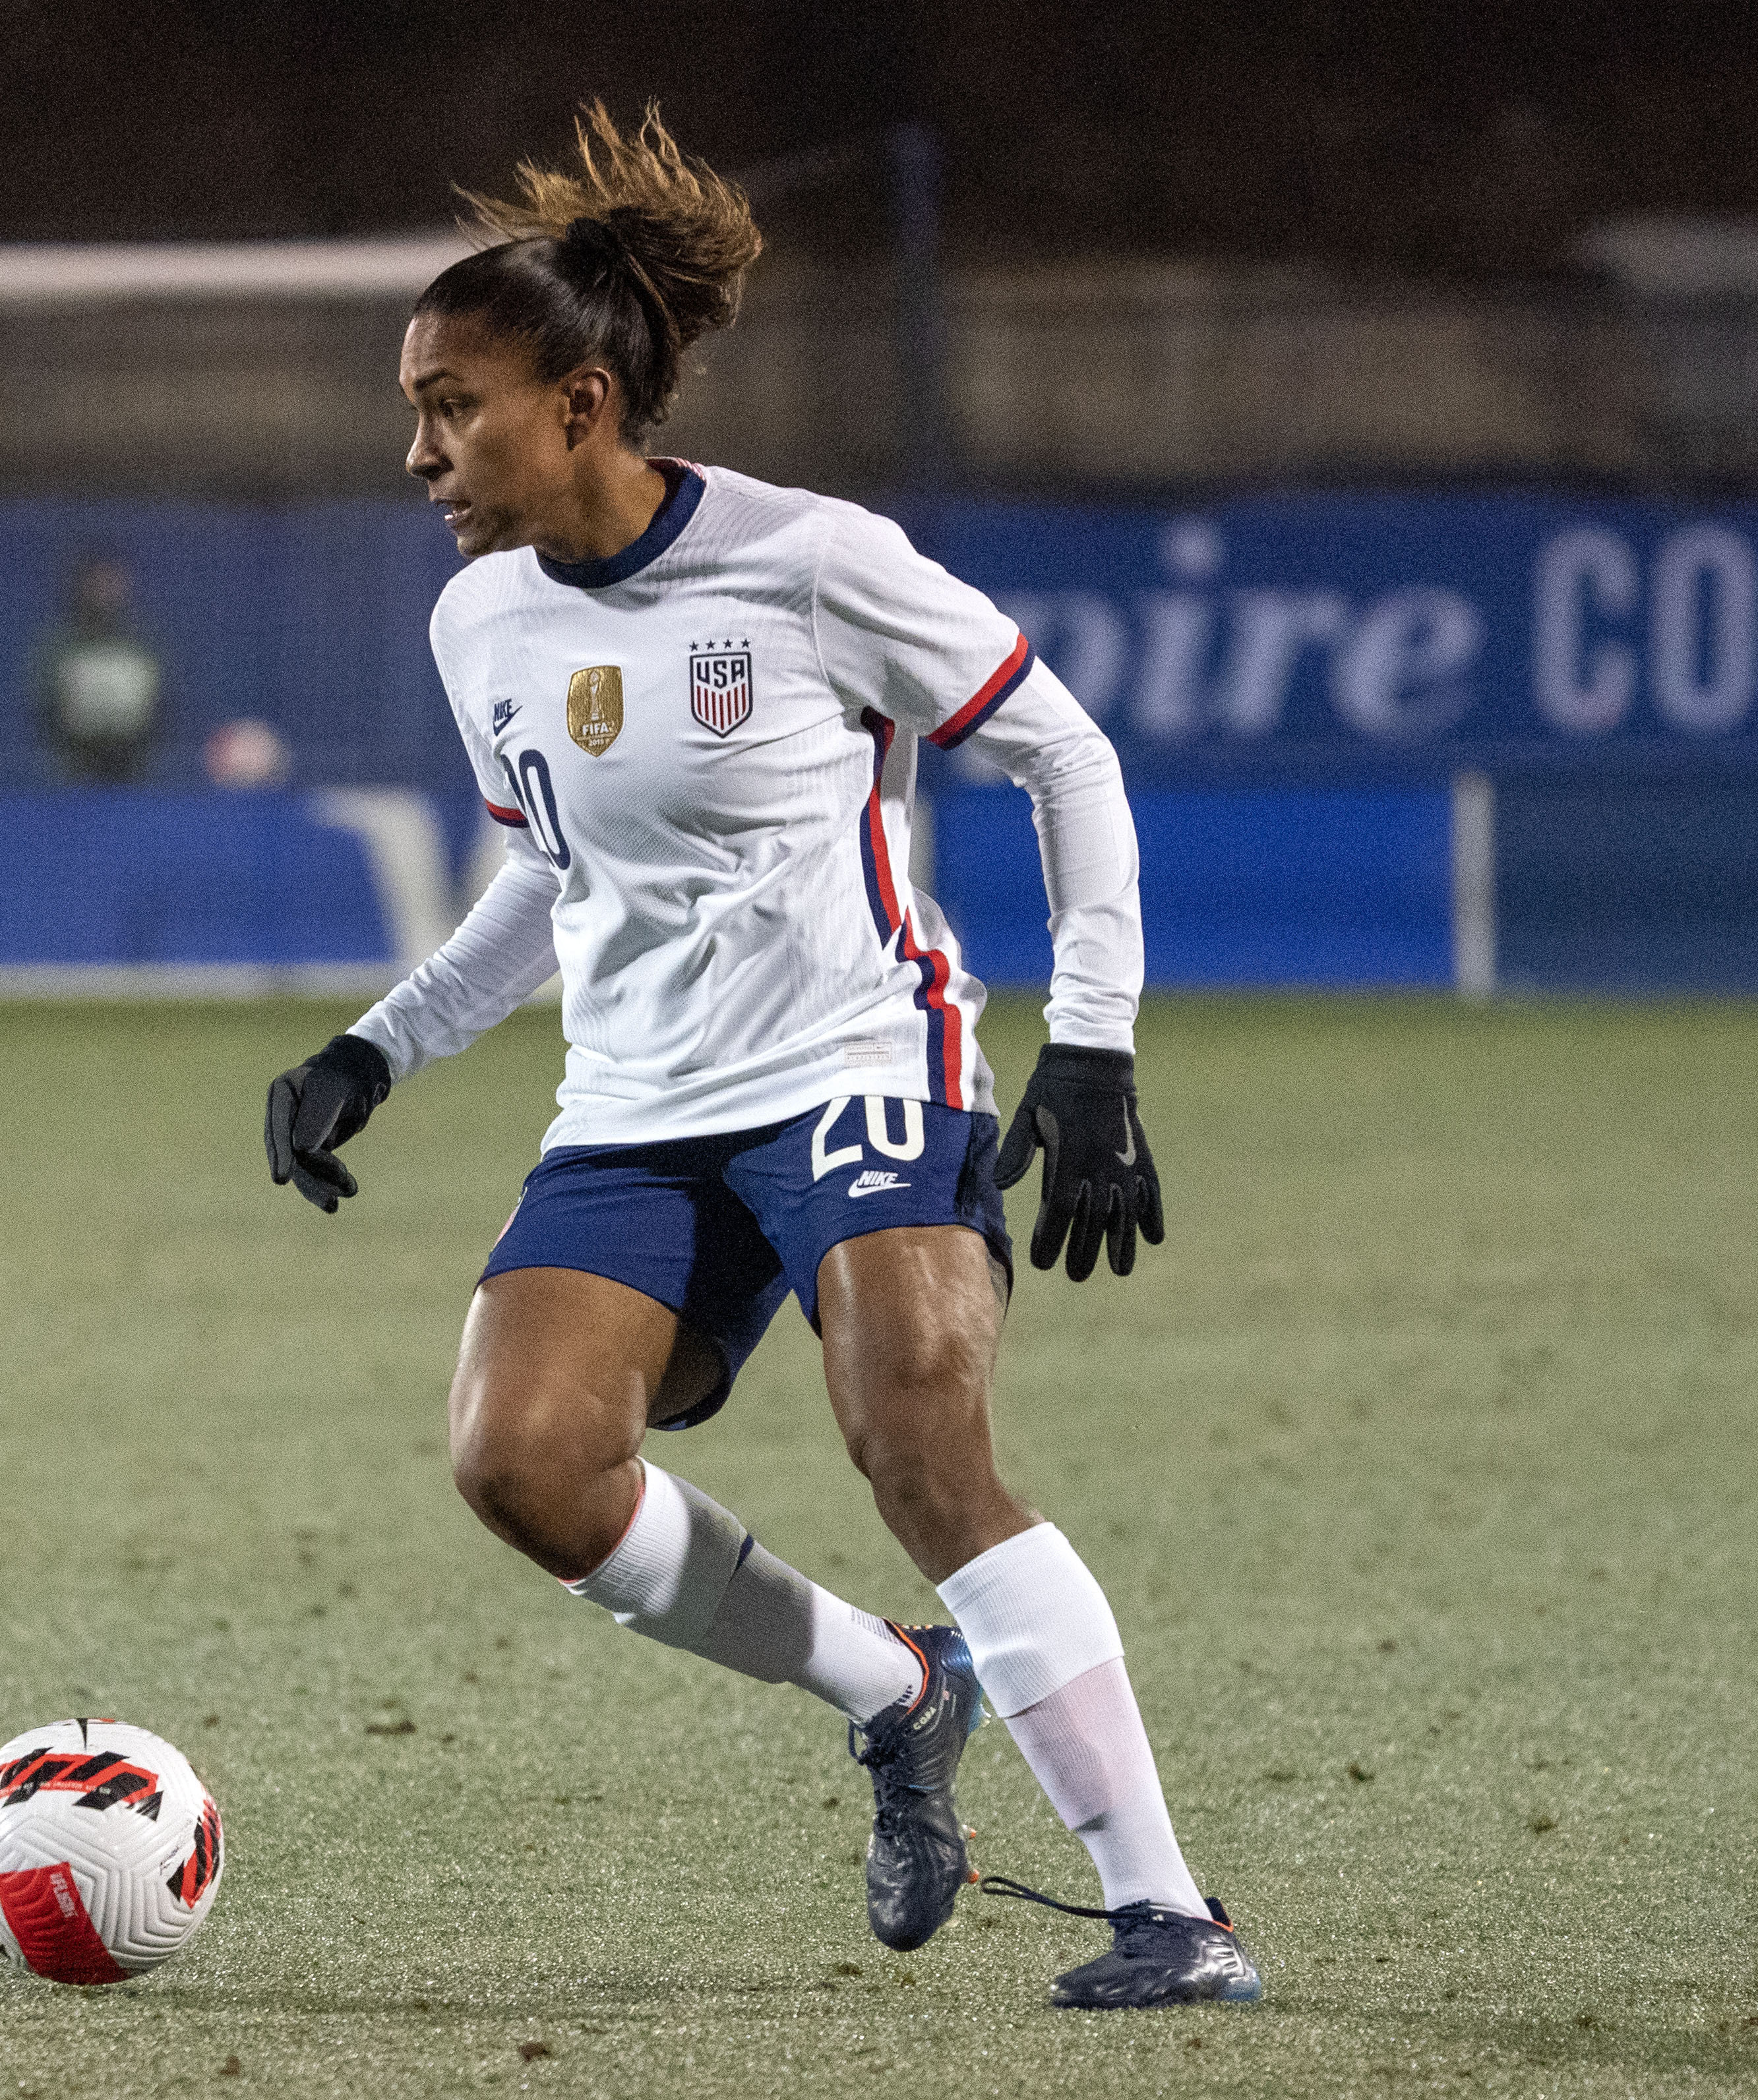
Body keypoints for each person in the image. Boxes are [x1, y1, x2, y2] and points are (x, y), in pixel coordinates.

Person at [261, 104, 1259, 2012]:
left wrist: (1096, 1044)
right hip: (638, 1111)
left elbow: (1066, 752)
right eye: (411, 407)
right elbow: (547, 884)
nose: (417, 452)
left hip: (859, 1061)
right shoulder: (478, 620)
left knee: (914, 1440)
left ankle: (1170, 1915)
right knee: (525, 1465)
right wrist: (376, 1049)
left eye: (448, 406)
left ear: (576, 401)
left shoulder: (815, 563)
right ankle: (895, 1692)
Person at [32, 553, 163, 782]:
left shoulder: (144, 648)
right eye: (96, 583)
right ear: (80, 588)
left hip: (136, 776)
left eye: (111, 582)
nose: (104, 592)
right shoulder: (59, 649)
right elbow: (45, 715)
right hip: (74, 777)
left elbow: (163, 713)